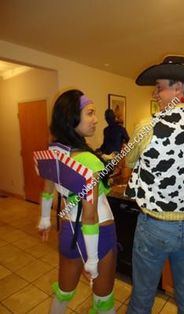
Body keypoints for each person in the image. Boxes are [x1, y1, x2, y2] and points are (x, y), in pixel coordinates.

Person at [125, 55, 184, 314]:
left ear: (178, 87)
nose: (155, 93)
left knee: (143, 297)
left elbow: (130, 162)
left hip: (154, 227)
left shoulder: (148, 126)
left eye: (160, 86)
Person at [37, 90, 117, 314]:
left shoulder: (53, 153)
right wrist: (91, 261)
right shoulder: (89, 161)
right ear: (72, 118)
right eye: (90, 113)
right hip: (98, 235)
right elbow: (90, 215)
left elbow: (47, 191)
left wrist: (44, 221)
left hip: (68, 231)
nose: (96, 119)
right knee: (104, 302)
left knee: (64, 292)